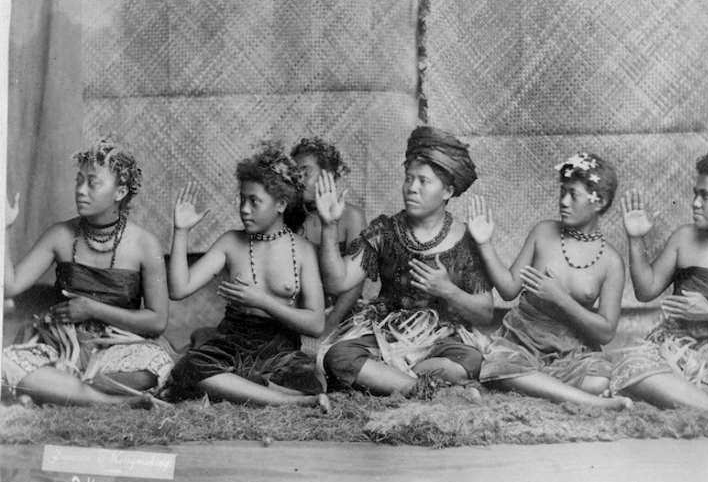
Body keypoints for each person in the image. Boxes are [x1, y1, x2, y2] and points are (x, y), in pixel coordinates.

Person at [315, 126, 494, 396]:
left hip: (441, 342)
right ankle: (423, 389)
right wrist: (329, 226)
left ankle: (388, 380)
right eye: (408, 178)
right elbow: (337, 283)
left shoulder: (466, 240)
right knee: (338, 358)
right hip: (386, 337)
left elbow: (485, 312)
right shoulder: (384, 231)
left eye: (424, 181)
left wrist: (447, 290)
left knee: (469, 362)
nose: (411, 188)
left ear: (447, 191)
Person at [2, 136, 174, 407]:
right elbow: (10, 287)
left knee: (158, 365)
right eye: (78, 180)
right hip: (62, 347)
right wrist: (5, 228)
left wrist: (93, 309)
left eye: (92, 183)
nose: (81, 190)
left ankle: (61, 390)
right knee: (5, 361)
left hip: (118, 350)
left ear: (119, 192)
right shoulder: (59, 234)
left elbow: (157, 321)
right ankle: (111, 402)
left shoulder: (144, 244)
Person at [611, 143, 708, 429]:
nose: (695, 202)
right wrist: (636, 240)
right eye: (695, 194)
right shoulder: (684, 237)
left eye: (705, 196)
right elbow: (646, 290)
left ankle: (673, 397)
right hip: (671, 350)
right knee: (629, 359)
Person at [167, 145, 329, 409]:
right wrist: (180, 231)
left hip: (280, 347)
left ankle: (242, 389)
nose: (244, 209)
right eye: (241, 199)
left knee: (310, 378)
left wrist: (263, 301)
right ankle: (290, 402)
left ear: (280, 204)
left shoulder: (303, 250)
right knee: (188, 367)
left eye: (254, 201)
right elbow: (178, 289)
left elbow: (316, 325)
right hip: (232, 339)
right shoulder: (231, 242)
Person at [467, 152, 631, 410]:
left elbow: (606, 332)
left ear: (598, 202)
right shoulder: (544, 232)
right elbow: (509, 289)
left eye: (573, 194)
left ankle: (527, 385)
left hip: (572, 349)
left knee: (598, 379)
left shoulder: (611, 262)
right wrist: (484, 243)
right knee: (502, 363)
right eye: (562, 192)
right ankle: (590, 403)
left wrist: (561, 298)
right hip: (522, 340)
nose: (563, 202)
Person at [290, 137, 367, 337]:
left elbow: (355, 284)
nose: (299, 180)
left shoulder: (353, 217)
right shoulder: (289, 217)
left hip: (341, 315)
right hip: (300, 316)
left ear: (329, 174)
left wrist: (329, 326)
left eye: (306, 172)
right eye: (294, 173)